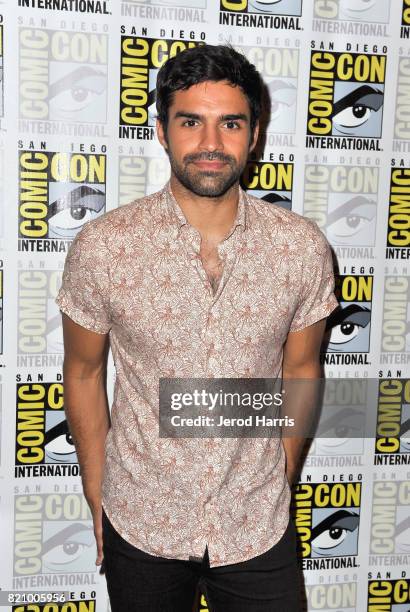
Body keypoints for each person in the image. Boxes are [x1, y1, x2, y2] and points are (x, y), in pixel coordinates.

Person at [56, 44, 339, 611]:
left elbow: (301, 368)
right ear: (162, 131)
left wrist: (280, 473)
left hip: (256, 523)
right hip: (140, 519)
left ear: (254, 134)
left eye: (230, 123)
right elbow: (84, 372)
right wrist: (96, 493)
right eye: (191, 122)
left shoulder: (301, 248)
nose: (211, 144)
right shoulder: (105, 247)